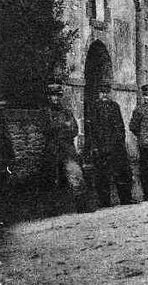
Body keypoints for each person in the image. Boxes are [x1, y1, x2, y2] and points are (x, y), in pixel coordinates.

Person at [84, 81, 135, 207]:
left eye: (107, 92)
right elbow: (90, 129)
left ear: (110, 93)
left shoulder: (115, 106)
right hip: (101, 147)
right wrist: (94, 146)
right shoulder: (93, 108)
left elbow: (120, 126)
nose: (104, 95)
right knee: (102, 176)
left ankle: (126, 199)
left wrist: (120, 142)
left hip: (116, 146)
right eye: (102, 92)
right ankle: (104, 202)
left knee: (123, 173)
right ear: (99, 94)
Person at [45, 83, 93, 211]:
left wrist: (60, 128)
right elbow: (47, 129)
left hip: (67, 149)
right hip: (53, 150)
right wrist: (64, 127)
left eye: (57, 96)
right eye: (52, 96)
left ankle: (82, 207)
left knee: (76, 175)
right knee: (52, 179)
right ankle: (53, 210)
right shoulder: (45, 112)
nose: (55, 98)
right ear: (49, 97)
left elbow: (74, 130)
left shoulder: (66, 112)